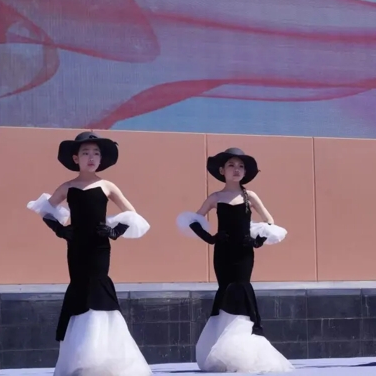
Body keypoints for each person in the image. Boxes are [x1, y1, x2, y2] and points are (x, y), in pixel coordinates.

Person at [26, 131, 152, 376]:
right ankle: (80, 357)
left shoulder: (107, 185)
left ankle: (104, 356)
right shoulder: (68, 187)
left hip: (99, 246)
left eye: (96, 153)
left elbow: (132, 213)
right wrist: (61, 231)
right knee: (80, 287)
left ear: (101, 158)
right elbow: (45, 210)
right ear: (76, 158)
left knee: (98, 285)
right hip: (76, 247)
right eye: (85, 153)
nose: (91, 157)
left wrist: (114, 231)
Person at [176, 147, 292, 373]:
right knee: (226, 290)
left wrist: (257, 241)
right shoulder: (216, 197)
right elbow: (193, 220)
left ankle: (243, 348)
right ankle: (221, 348)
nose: (236, 169)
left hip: (244, 252)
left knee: (241, 288)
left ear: (245, 172)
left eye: (241, 166)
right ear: (222, 170)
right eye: (231, 165)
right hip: (223, 253)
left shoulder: (250, 196)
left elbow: (269, 221)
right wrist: (211, 238)